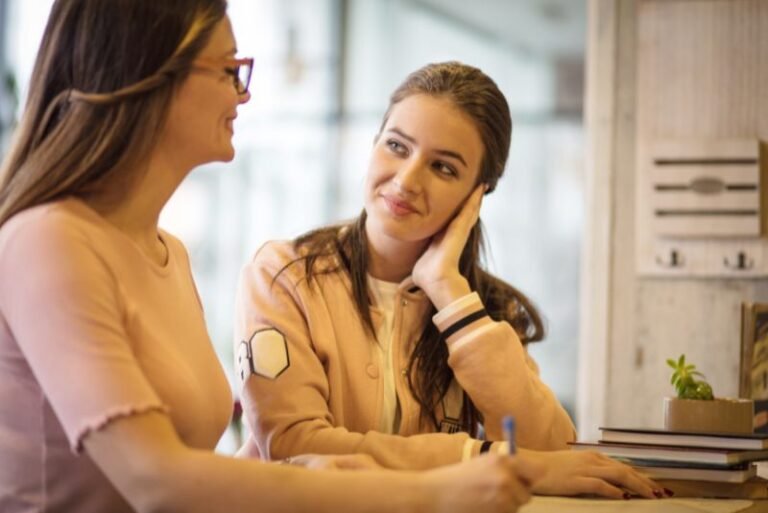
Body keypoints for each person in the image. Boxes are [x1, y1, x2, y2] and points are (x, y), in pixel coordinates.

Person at [0, 2, 546, 512]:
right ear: (150, 77)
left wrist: (325, 472)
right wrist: (428, 490)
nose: (242, 94)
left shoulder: (168, 253)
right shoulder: (49, 240)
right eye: (227, 71)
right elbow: (156, 481)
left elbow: (191, 471)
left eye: (445, 167)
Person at [235, 61, 666, 500]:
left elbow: (549, 453)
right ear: (374, 143)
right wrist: (479, 459)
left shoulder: (480, 307)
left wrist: (448, 291)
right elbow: (293, 445)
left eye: (443, 168)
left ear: (477, 195)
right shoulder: (285, 275)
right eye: (397, 146)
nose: (405, 180)